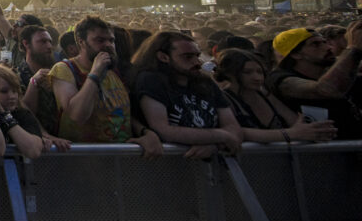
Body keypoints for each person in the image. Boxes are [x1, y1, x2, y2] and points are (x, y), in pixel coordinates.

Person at [48, 17, 161, 157]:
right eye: (99, 40)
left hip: (121, 157)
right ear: (81, 42)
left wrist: (145, 132)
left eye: (111, 40)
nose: (108, 45)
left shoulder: (113, 72)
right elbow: (77, 115)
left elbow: (120, 112)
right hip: (84, 160)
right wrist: (95, 74)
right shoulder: (64, 69)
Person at [132, 31, 242, 159]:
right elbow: (162, 129)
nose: (197, 62)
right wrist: (221, 136)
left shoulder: (205, 82)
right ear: (163, 57)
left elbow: (233, 127)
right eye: (187, 57)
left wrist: (215, 145)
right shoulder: (151, 80)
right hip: (168, 166)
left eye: (197, 55)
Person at [214, 49, 337, 144]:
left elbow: (293, 120)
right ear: (229, 74)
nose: (257, 77)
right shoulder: (225, 98)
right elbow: (237, 132)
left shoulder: (265, 94)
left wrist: (313, 130)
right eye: (247, 72)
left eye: (259, 72)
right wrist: (290, 134)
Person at [267, 23, 362, 139]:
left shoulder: (342, 74)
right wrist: (354, 49)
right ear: (295, 54)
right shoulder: (280, 79)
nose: (328, 48)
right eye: (315, 44)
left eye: (325, 42)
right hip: (318, 154)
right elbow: (327, 89)